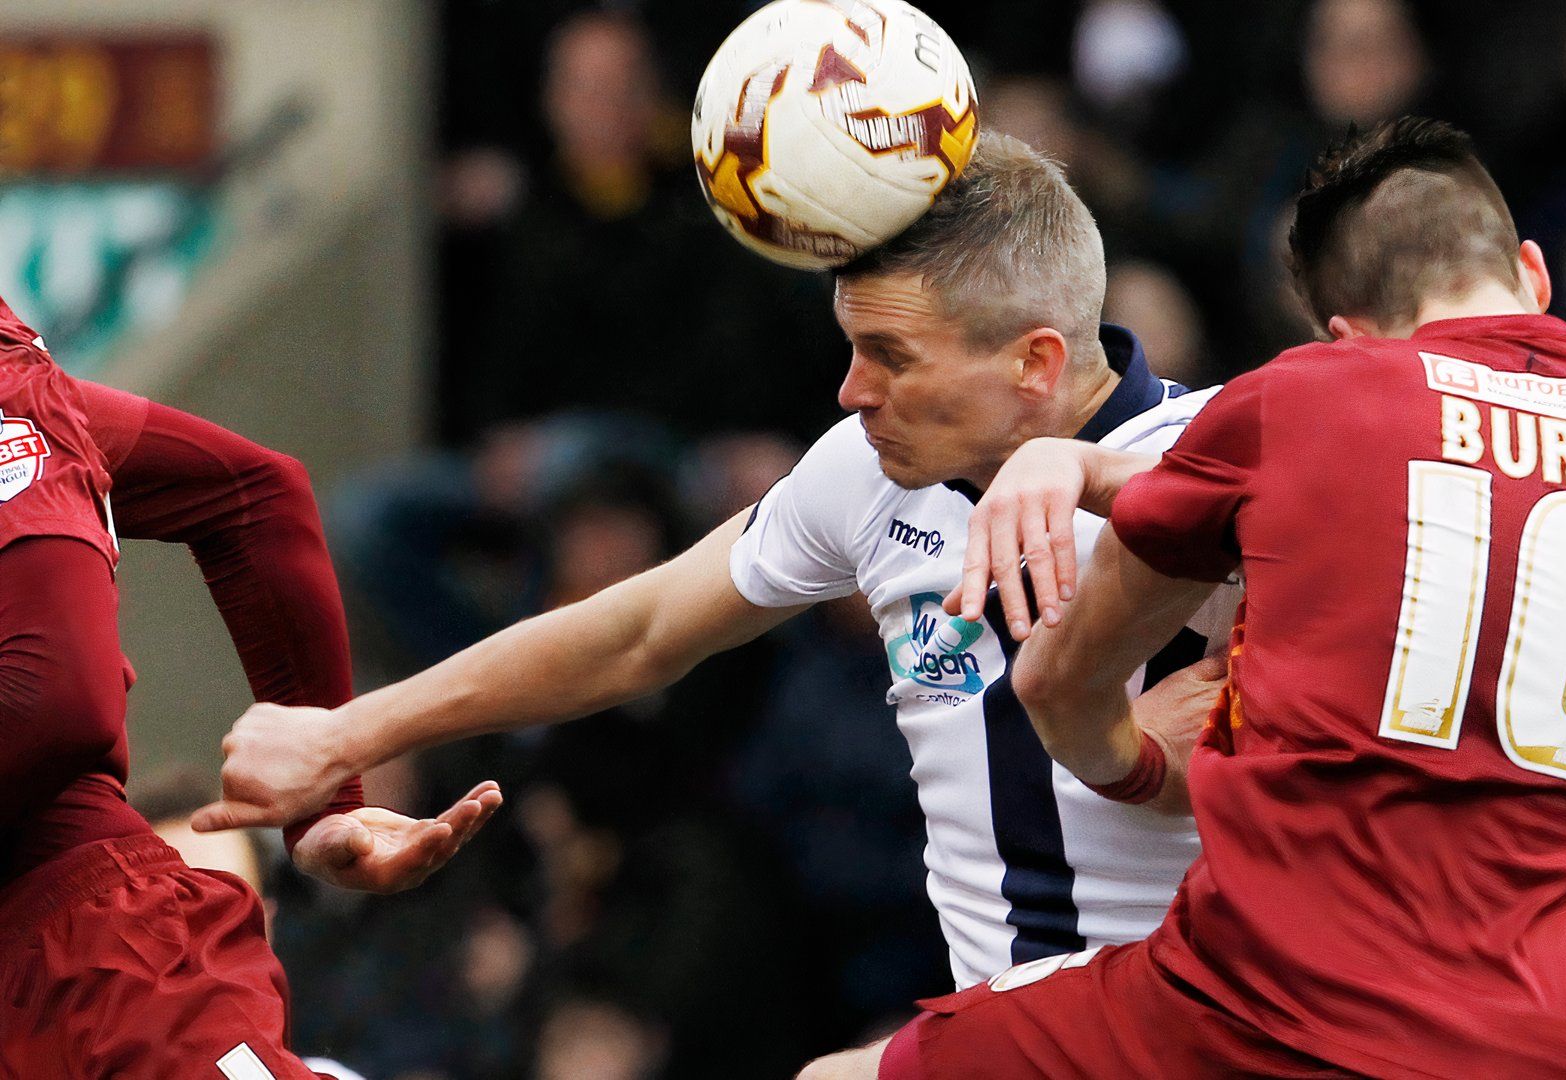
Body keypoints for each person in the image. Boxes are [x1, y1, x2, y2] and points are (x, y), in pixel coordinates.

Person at [196, 133, 1234, 992]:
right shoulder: (869, 472)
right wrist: (350, 732)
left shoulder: (1229, 472)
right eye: (849, 347)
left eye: (892, 357)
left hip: (1203, 1019)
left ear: (1034, 366)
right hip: (998, 1021)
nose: (849, 393)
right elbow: (637, 630)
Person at [837, 117, 1566, 1079]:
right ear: (1534, 273)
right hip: (1542, 1050)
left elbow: (1058, 683)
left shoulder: (1306, 400)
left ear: (1346, 337)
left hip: (1258, 1026)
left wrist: (1137, 766)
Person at [0, 297, 502, 1077]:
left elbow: (57, 701)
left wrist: (328, 792)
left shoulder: (10, 389)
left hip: (80, 970)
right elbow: (251, 493)